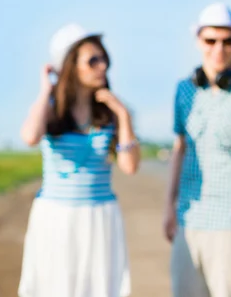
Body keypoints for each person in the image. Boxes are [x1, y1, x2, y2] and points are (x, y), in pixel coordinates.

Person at [18, 23, 140, 297]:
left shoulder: (109, 114)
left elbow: (130, 166)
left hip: (99, 217)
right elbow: (29, 136)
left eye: (104, 59)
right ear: (71, 66)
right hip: (56, 216)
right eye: (92, 60)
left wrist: (123, 116)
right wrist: (45, 91)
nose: (102, 67)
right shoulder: (51, 110)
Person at [164, 3, 231, 297]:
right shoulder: (183, 89)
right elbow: (179, 148)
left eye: (227, 41)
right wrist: (169, 204)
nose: (219, 48)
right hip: (188, 219)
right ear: (198, 41)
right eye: (211, 40)